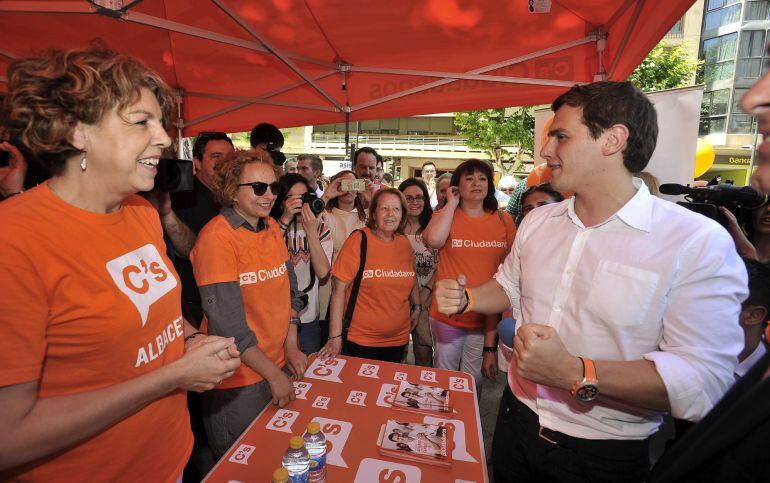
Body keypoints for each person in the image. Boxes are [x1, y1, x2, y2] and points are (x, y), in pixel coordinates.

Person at [434, 81, 748, 483]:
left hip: (603, 454)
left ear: (613, 140)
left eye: (561, 136)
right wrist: (468, 298)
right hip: (515, 423)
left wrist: (575, 372)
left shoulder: (694, 242)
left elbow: (705, 380)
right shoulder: (538, 222)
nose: (546, 151)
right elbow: (509, 286)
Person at [0, 46, 240, 481]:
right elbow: (8, 438)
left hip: (171, 459)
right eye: (140, 121)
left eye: (160, 122)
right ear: (77, 132)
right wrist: (173, 376)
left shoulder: (141, 212)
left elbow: (155, 313)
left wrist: (190, 341)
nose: (165, 138)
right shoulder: (14, 242)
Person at [190, 149, 307, 460]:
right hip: (238, 378)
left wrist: (291, 346)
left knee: (274, 460)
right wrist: (273, 373)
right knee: (242, 465)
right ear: (232, 191)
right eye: (258, 188)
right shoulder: (217, 239)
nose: (269, 196)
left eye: (273, 187)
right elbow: (227, 325)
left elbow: (290, 291)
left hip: (276, 364)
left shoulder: (269, 227)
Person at [422, 159, 516, 393]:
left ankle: (465, 426)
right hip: (448, 317)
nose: (477, 183)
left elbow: (511, 270)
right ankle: (439, 426)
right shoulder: (446, 215)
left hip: (485, 318)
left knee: (473, 382)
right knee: (443, 381)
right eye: (469, 178)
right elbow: (433, 240)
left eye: (483, 178)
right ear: (457, 186)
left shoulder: (504, 220)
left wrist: (490, 346)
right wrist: (451, 205)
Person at [318, 188, 421, 362]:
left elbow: (412, 277)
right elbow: (338, 290)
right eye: (384, 208)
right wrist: (334, 337)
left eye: (396, 209)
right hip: (361, 341)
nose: (390, 214)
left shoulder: (404, 243)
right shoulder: (358, 240)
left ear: (403, 215)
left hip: (399, 340)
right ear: (373, 214)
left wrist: (417, 306)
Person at [166, 131, 235, 326]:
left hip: (229, 297)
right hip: (196, 304)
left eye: (229, 157)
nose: (224, 163)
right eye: (216, 156)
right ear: (197, 161)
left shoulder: (235, 196)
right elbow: (189, 251)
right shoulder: (181, 195)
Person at [271, 173, 333, 355]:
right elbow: (264, 256)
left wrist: (311, 230)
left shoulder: (320, 227)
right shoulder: (270, 226)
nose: (299, 203)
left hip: (307, 318)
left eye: (303, 197)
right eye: (292, 198)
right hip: (274, 318)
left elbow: (323, 273)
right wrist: (285, 219)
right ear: (281, 201)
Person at [316, 170, 367, 329]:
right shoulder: (325, 214)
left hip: (361, 285)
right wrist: (327, 194)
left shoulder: (368, 216)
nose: (348, 189)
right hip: (329, 283)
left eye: (353, 184)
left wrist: (371, 197)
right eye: (343, 184)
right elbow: (309, 221)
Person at [398, 177, 438, 367]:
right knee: (398, 354)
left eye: (419, 197)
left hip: (428, 299)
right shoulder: (393, 228)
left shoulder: (436, 227)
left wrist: (425, 293)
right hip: (398, 299)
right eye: (408, 198)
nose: (414, 202)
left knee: (423, 353)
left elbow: (444, 265)